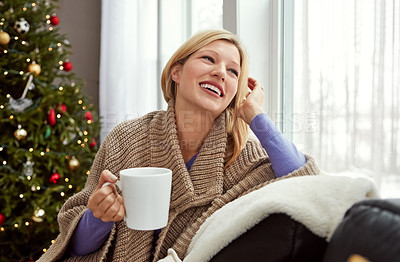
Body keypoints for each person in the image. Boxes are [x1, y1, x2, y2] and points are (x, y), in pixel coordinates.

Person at [39, 29, 319, 262]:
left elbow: (305, 183)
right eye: (208, 59)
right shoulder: (127, 138)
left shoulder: (244, 156)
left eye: (233, 72)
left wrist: (254, 113)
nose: (221, 73)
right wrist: (99, 217)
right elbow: (75, 247)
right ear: (177, 71)